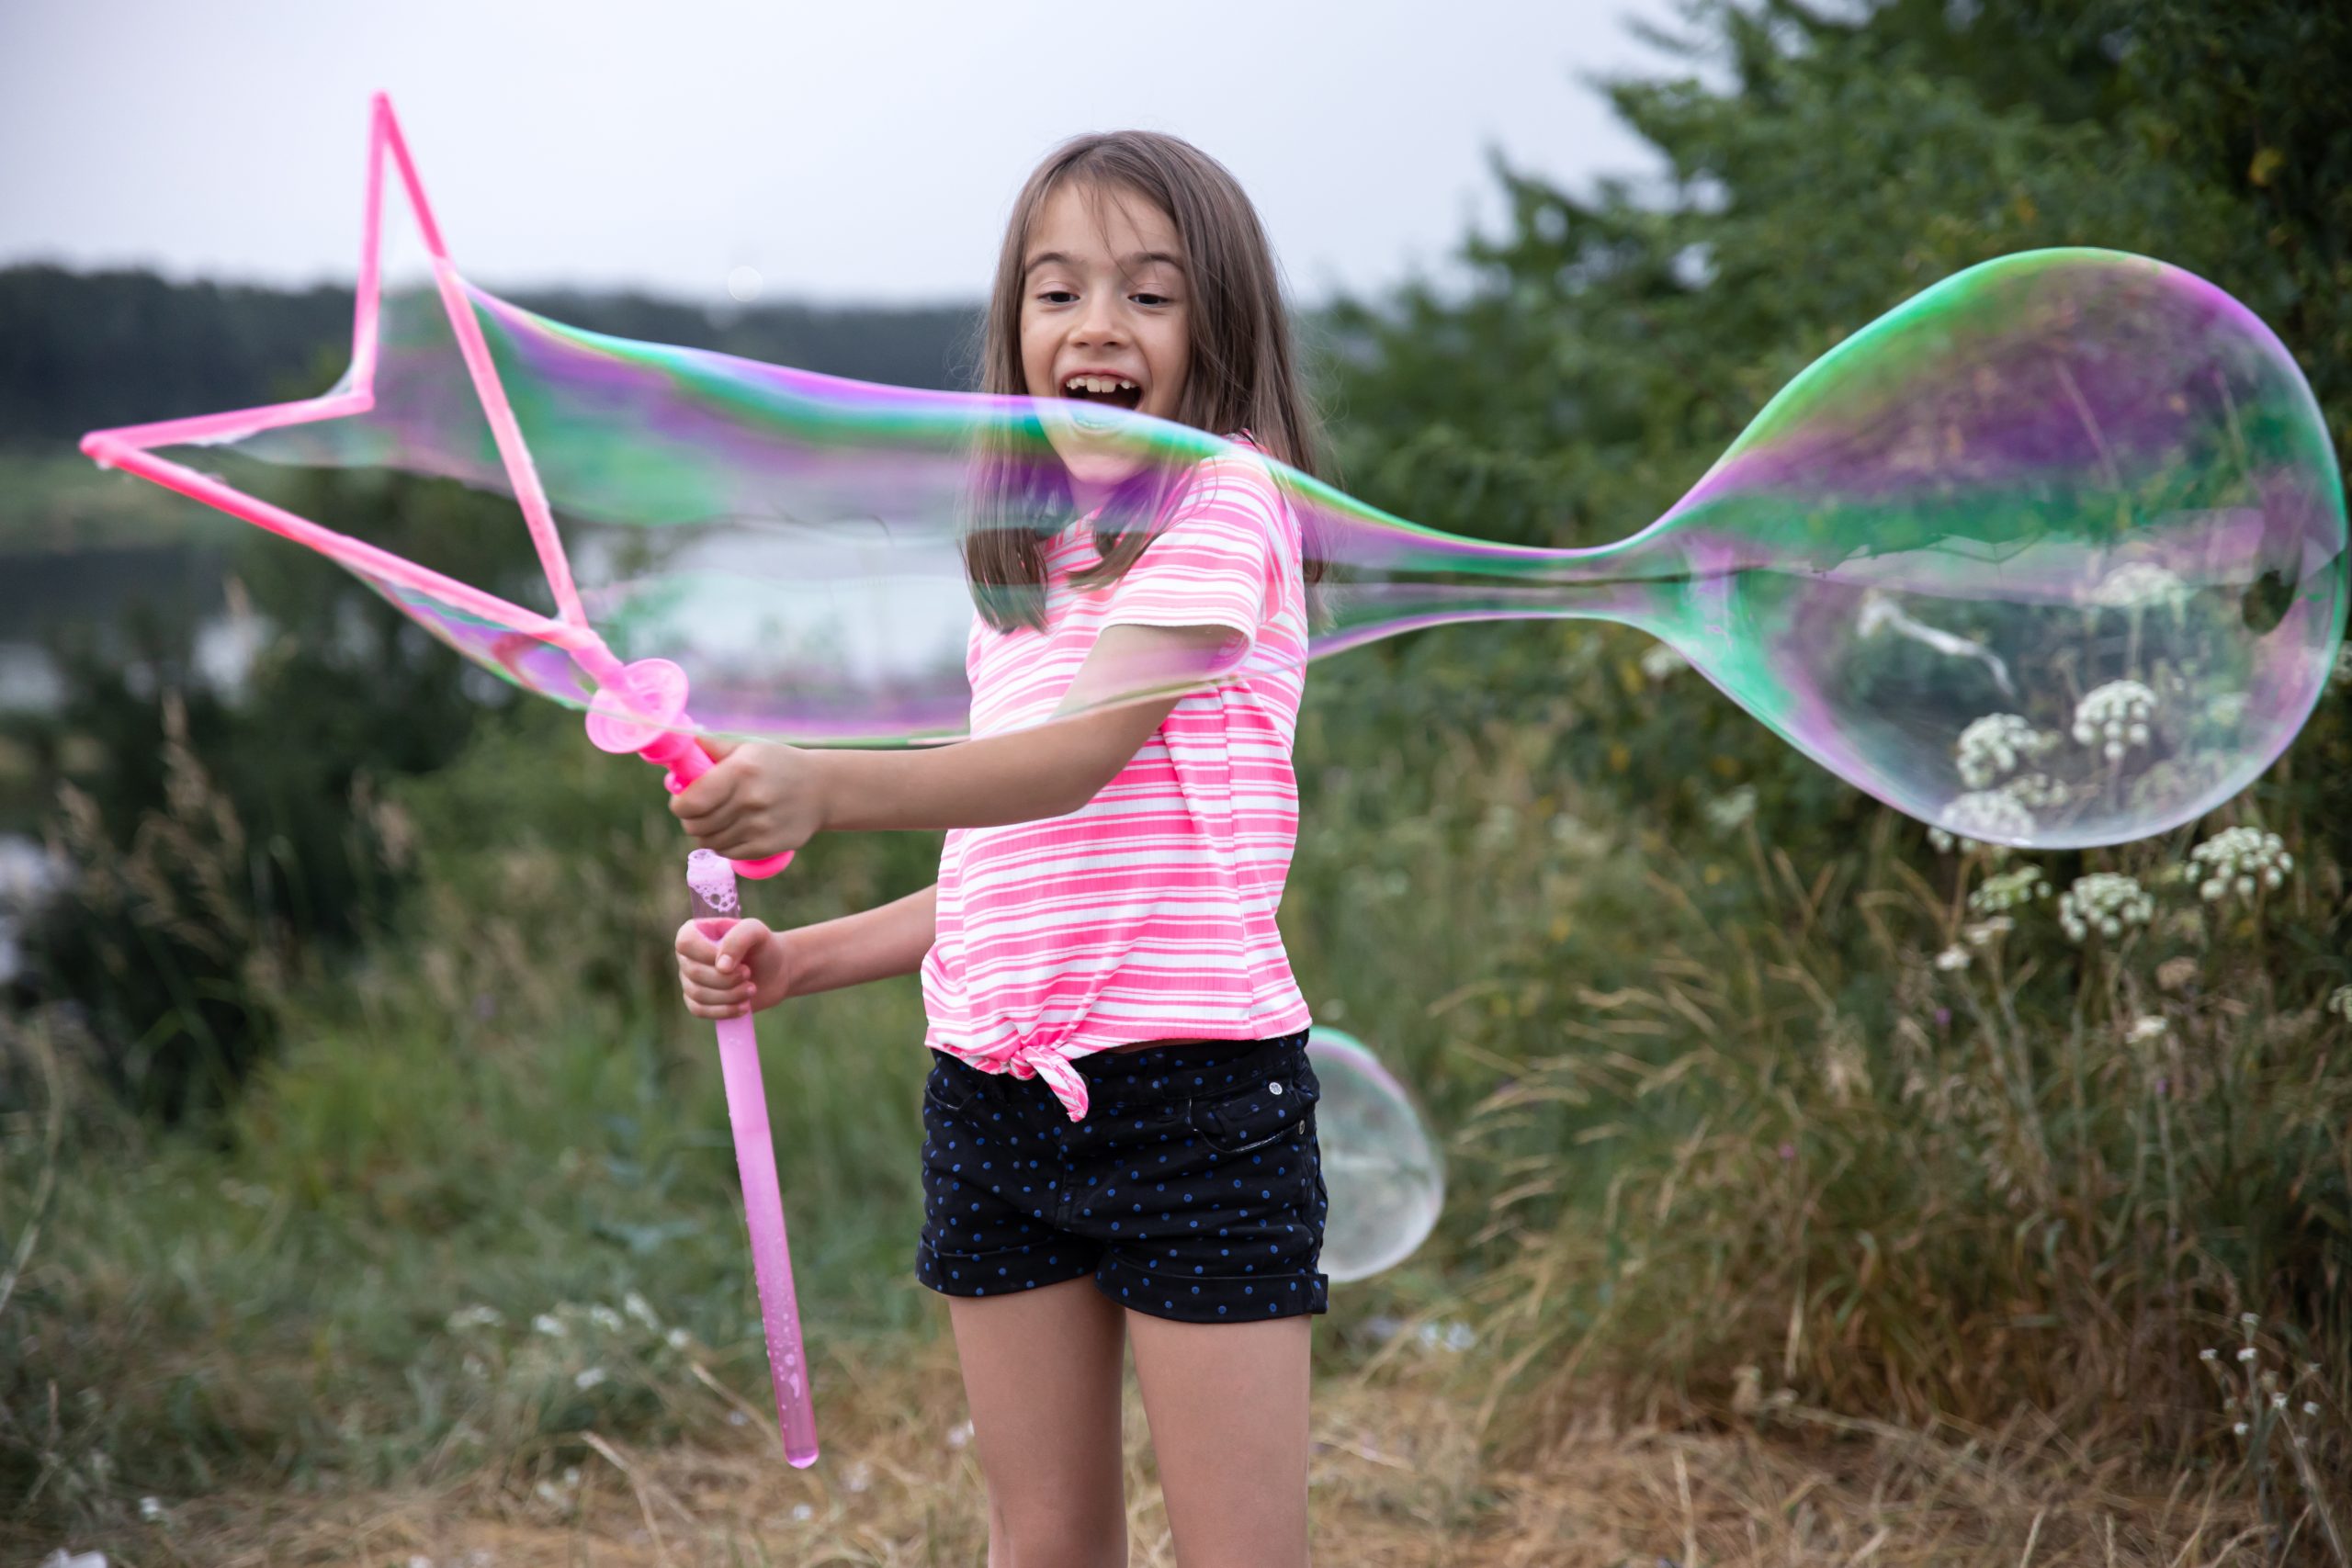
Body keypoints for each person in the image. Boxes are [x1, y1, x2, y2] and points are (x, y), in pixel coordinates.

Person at [673, 130, 1328, 1568]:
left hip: (1195, 1100)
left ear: (1219, 328)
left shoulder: (1226, 498)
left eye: (1150, 295)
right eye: (1058, 291)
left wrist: (828, 791)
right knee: (1043, 1545)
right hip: (990, 1099)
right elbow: (1008, 854)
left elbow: (1071, 759)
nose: (1098, 325)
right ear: (1015, 329)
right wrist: (800, 960)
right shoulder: (1031, 573)